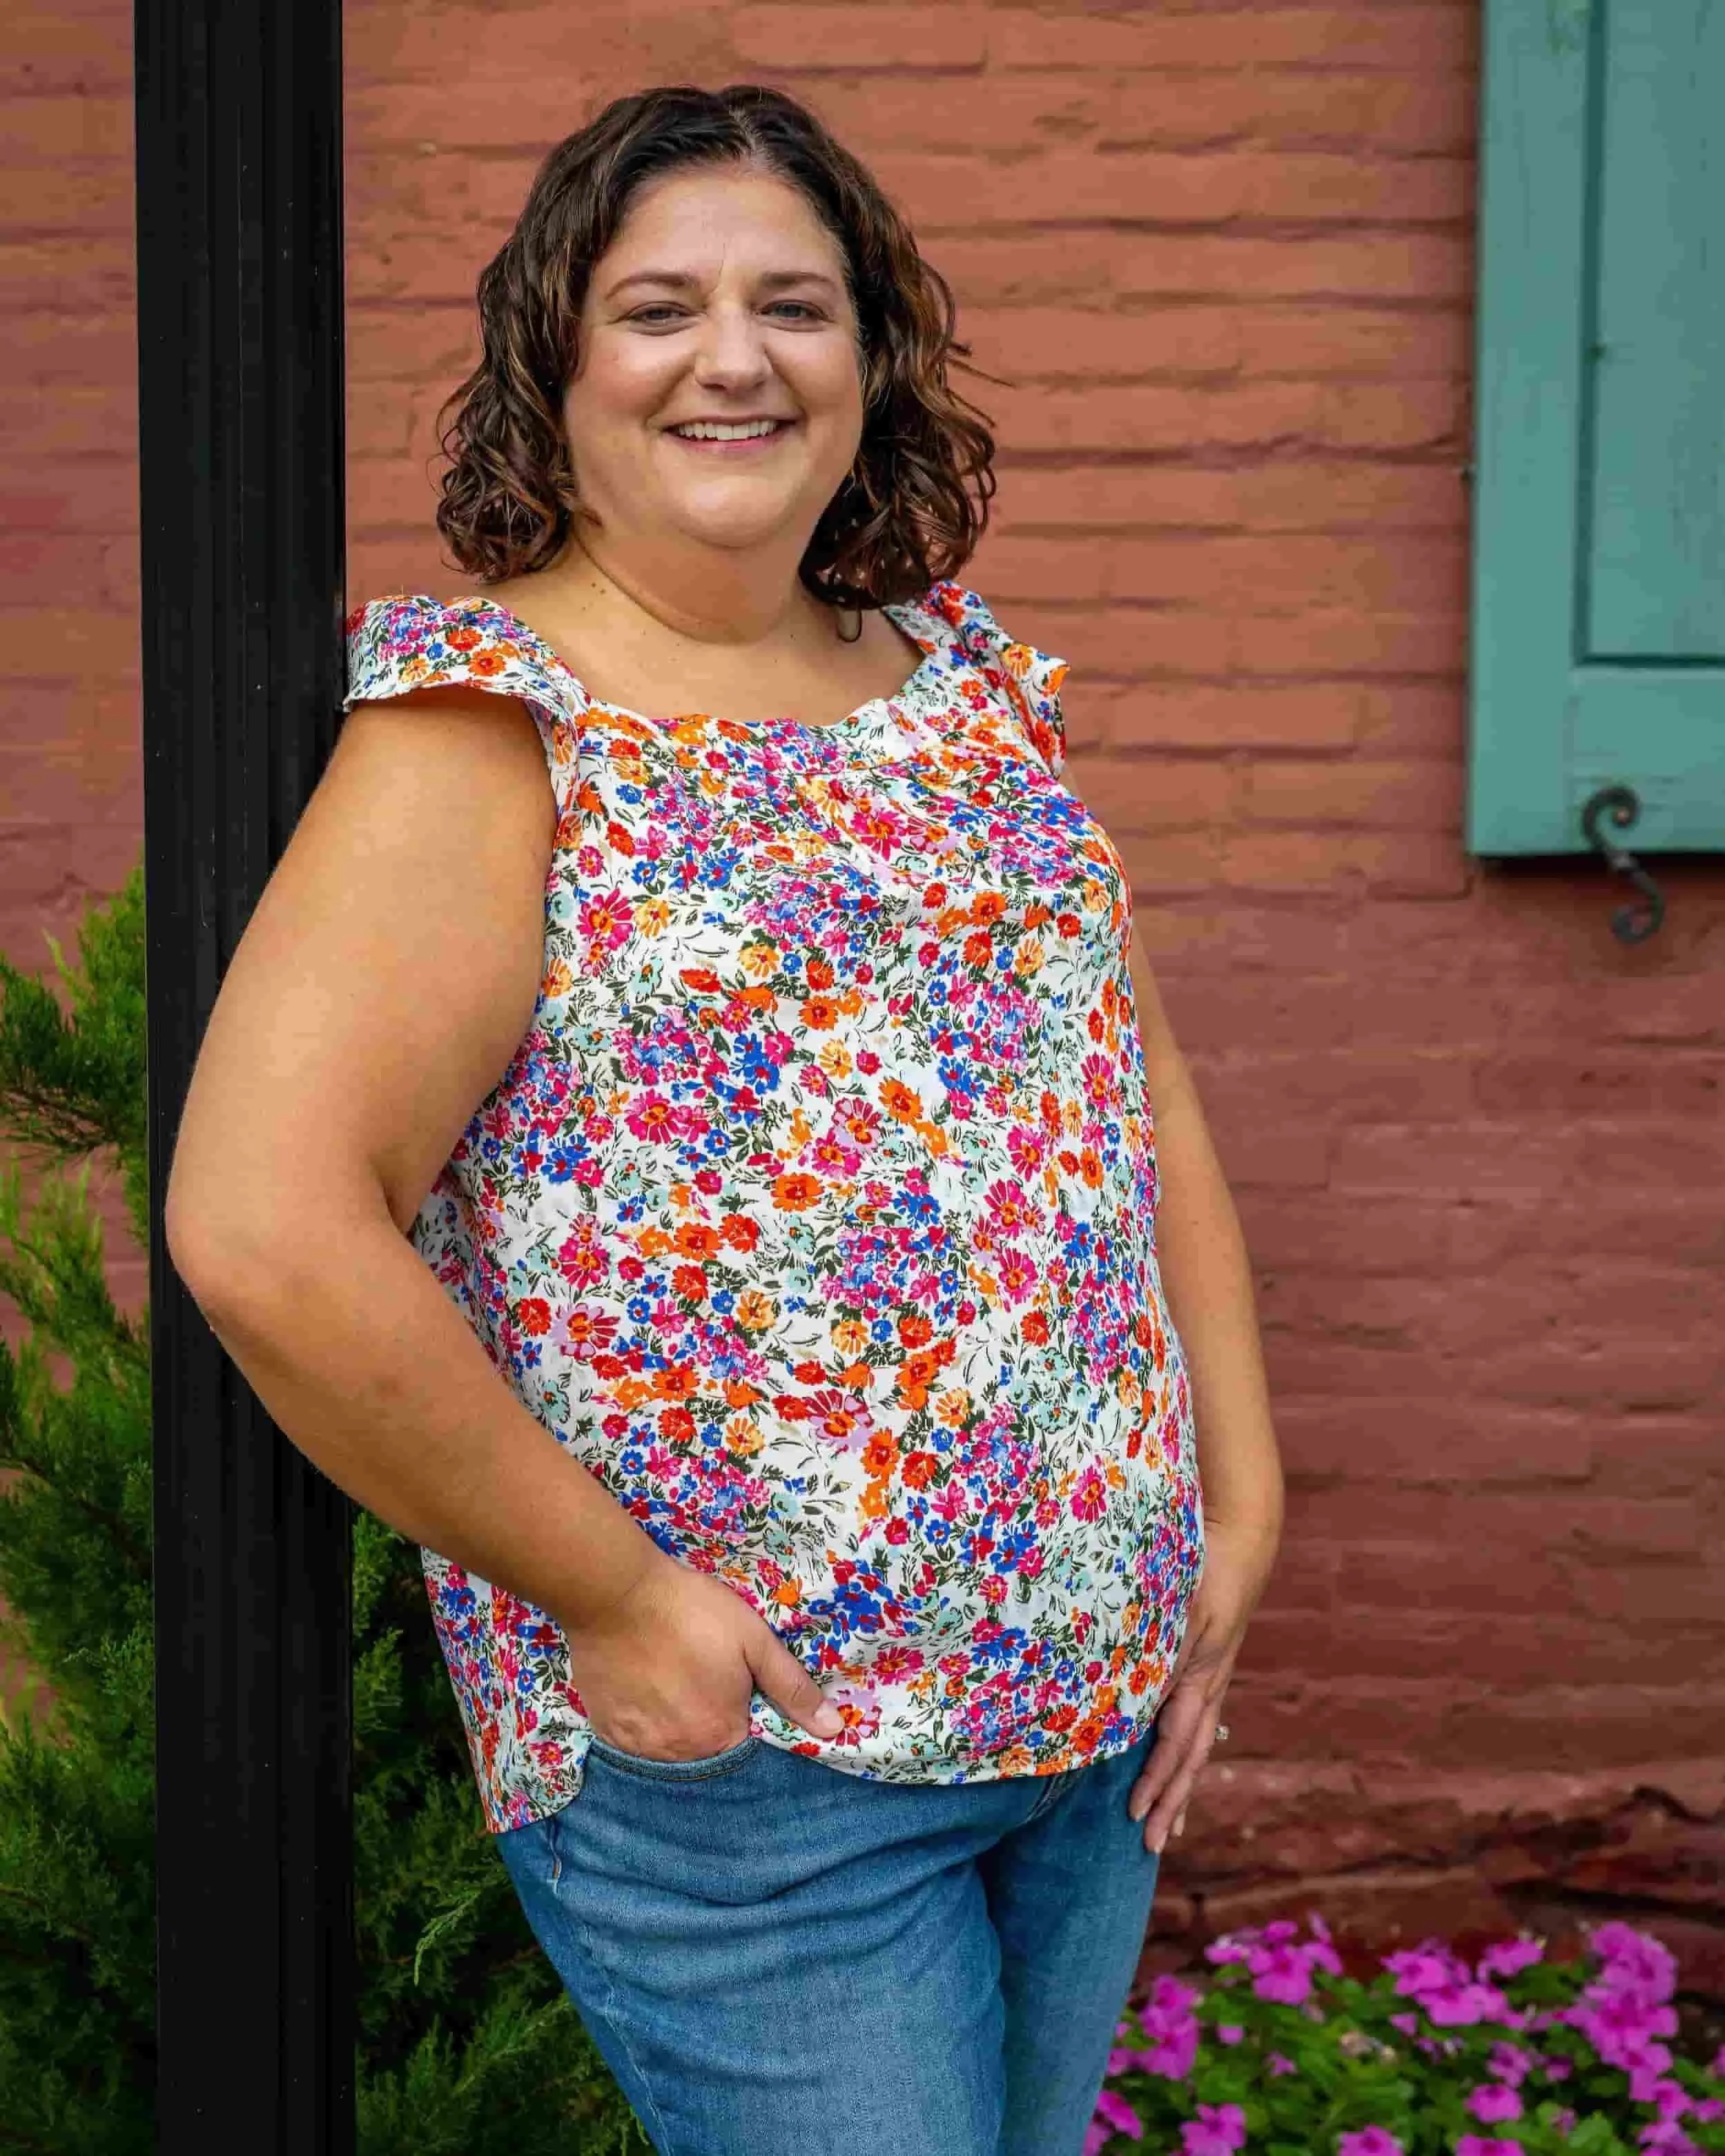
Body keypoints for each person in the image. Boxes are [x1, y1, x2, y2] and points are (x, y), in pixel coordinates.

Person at [164, 80, 1283, 2156]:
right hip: (763, 1779)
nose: (737, 357)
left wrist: (1242, 1491)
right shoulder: (487, 735)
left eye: (800, 303)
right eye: (658, 307)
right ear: (557, 365)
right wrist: (615, 1601)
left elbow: (1124, 1080)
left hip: (1094, 1726)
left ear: (871, 360)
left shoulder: (959, 689)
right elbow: (265, 1226)